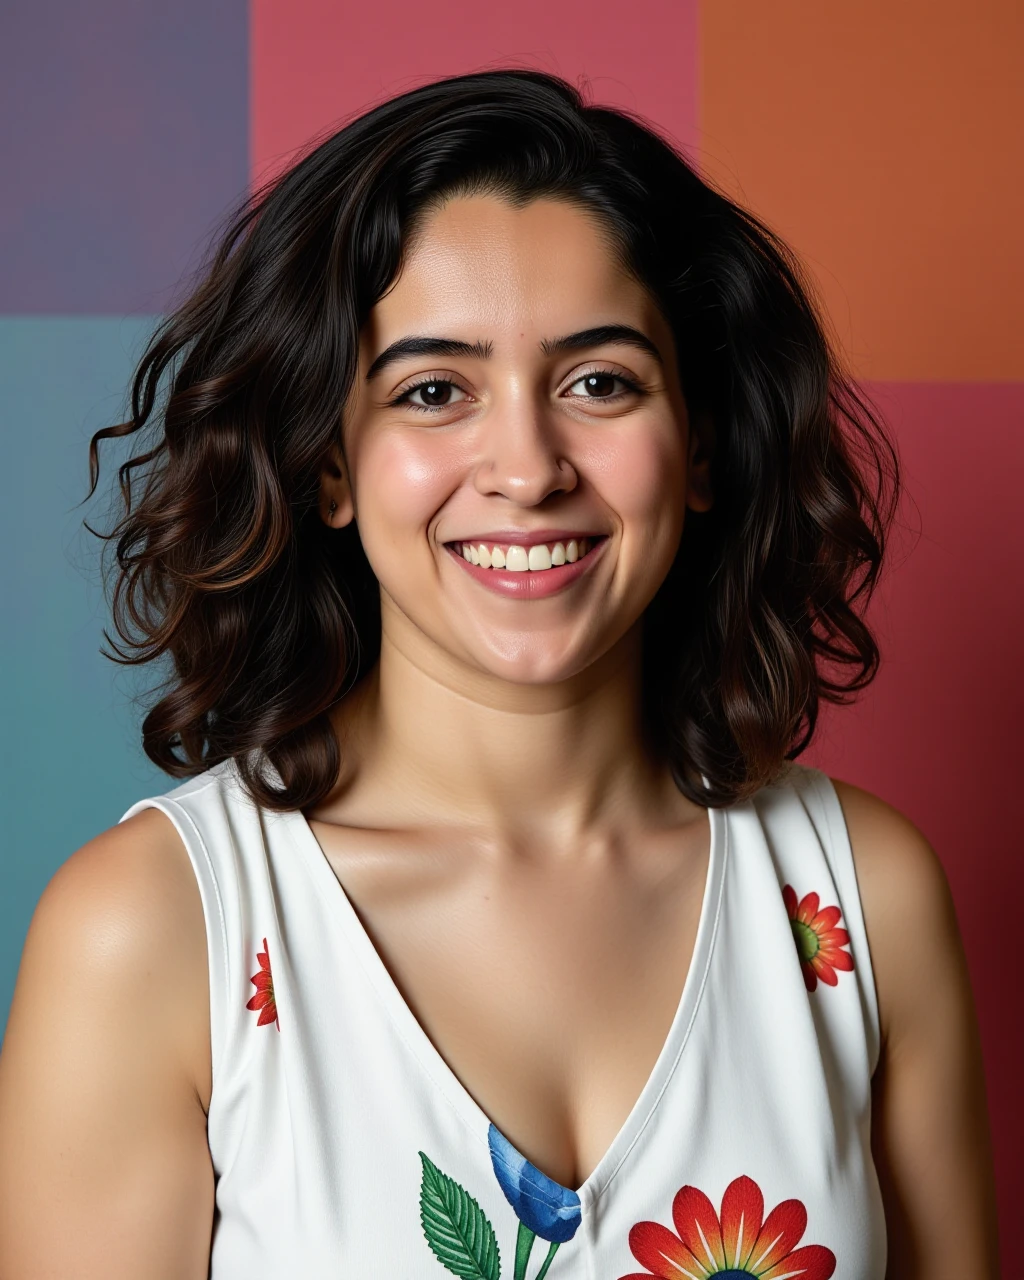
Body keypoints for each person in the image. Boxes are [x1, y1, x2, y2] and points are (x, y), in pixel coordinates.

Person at [0, 69, 998, 1278]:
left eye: (599, 382)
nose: (526, 466)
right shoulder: (154, 931)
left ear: (700, 445)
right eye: (433, 390)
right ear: (327, 466)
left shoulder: (862, 899)